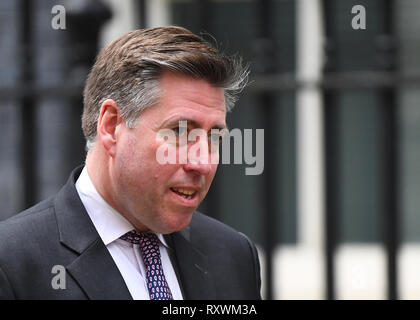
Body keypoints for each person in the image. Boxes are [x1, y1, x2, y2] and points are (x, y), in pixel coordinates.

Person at [0, 26, 261, 300]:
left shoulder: (232, 255)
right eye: (180, 132)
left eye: (214, 137)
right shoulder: (13, 263)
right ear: (112, 126)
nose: (203, 164)